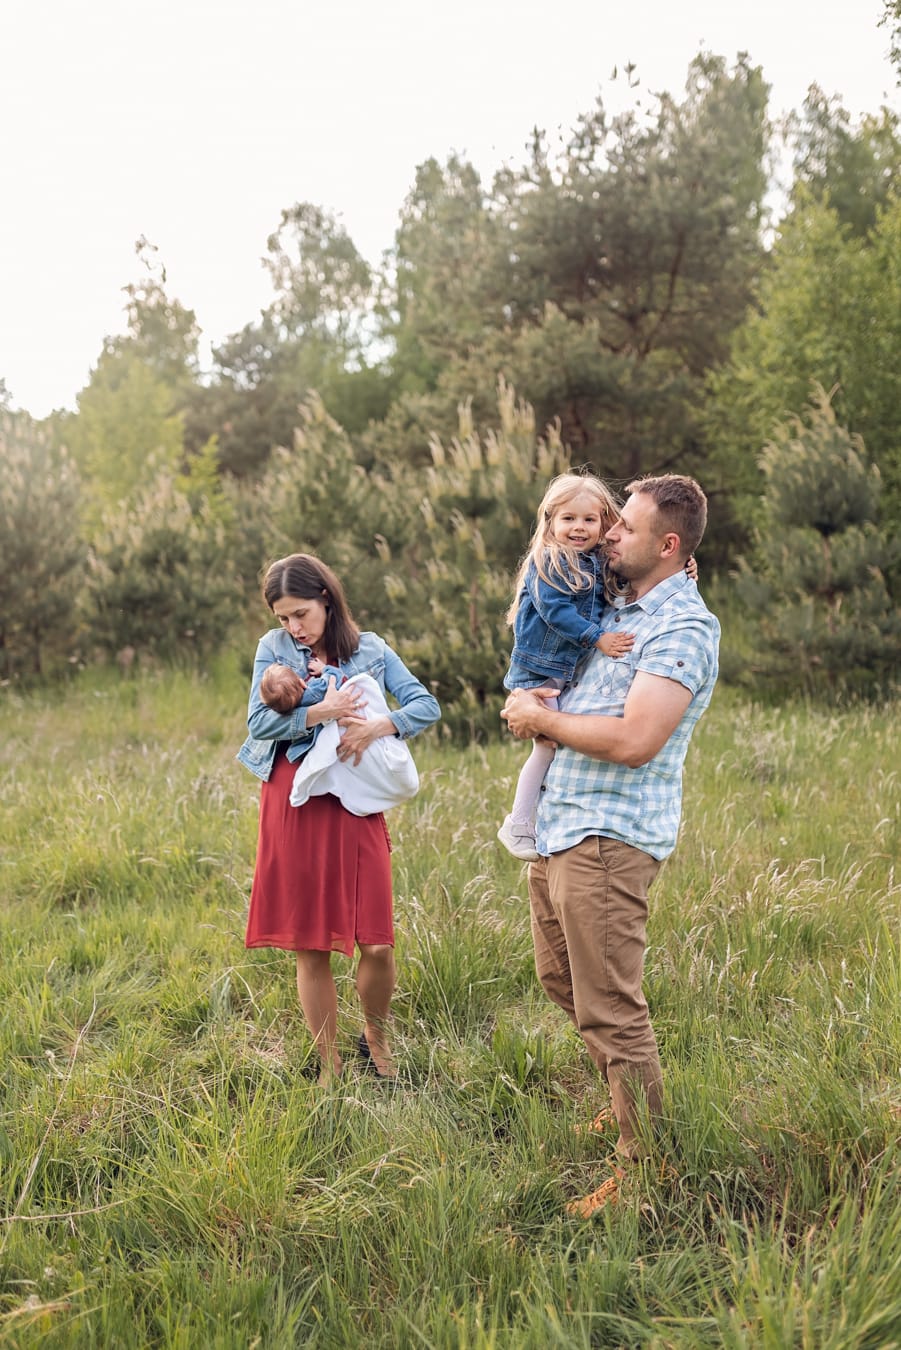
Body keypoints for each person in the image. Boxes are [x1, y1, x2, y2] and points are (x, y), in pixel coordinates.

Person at [501, 474, 719, 1217]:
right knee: (561, 980)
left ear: (664, 545)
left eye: (622, 528)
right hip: (564, 825)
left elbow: (634, 739)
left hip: (608, 837)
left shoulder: (680, 628)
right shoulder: (621, 602)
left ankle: (645, 1168)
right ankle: (623, 1100)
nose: (607, 536)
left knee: (610, 1008)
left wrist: (541, 722)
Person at [237, 553, 440, 1085]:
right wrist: (319, 713)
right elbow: (259, 723)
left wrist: (376, 728)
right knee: (311, 940)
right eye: (283, 618)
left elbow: (425, 705)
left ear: (326, 598)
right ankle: (328, 1064)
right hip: (295, 798)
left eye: (301, 614)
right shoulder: (272, 650)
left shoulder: (369, 648)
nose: (293, 628)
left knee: (376, 940)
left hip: (355, 797)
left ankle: (376, 1040)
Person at [497, 473, 634, 862]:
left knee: (554, 748)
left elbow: (628, 579)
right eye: (568, 519)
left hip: (561, 669)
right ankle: (519, 823)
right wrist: (597, 638)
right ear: (550, 521)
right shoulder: (550, 560)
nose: (578, 528)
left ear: (604, 522)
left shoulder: (595, 560)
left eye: (589, 520)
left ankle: (538, 820)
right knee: (546, 747)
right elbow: (555, 612)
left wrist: (687, 567)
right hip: (538, 672)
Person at [258, 660, 421, 816]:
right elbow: (335, 676)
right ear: (302, 683)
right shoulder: (317, 688)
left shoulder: (293, 711)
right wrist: (323, 669)